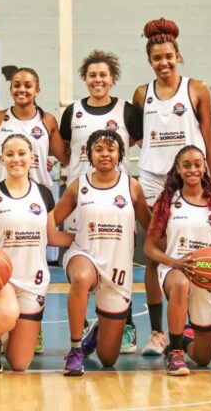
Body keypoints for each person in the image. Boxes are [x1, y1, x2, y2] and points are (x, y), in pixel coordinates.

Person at [132, 17, 211, 358]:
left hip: (190, 179)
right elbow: (138, 135)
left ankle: (188, 322)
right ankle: (158, 333)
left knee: (193, 251)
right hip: (153, 179)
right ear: (149, 60)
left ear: (178, 56)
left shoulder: (197, 89)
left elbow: (209, 139)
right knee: (155, 253)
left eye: (169, 56)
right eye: (157, 58)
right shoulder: (142, 94)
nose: (164, 63)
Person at [59, 50, 143, 354]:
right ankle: (81, 328)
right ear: (85, 79)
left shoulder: (127, 111)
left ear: (112, 78)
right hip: (82, 198)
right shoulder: (73, 112)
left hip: (117, 199)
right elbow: (65, 149)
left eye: (103, 75)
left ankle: (125, 324)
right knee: (81, 264)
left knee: (121, 259)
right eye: (92, 75)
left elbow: (140, 144)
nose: (98, 80)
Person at [0, 134, 74, 373]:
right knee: (8, 314)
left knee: (19, 363)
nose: (16, 159)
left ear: (32, 158)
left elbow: (53, 237)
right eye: (10, 154)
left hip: (33, 283)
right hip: (0, 279)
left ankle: (6, 334)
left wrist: (87, 238)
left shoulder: (44, 194)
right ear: (1, 159)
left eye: (22, 153)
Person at [0, 67, 68, 354]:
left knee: (35, 265)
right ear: (10, 90)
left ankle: (34, 327)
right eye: (17, 85)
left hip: (37, 201)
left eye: (28, 85)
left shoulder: (47, 120)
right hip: (2, 201)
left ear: (37, 90)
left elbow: (64, 155)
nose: (22, 89)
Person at [54, 130, 151, 376]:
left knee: (108, 358)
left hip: (117, 270)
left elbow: (150, 227)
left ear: (120, 154)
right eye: (98, 149)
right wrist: (69, 239)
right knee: (81, 278)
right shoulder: (79, 185)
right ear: (89, 154)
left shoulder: (132, 186)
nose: (105, 154)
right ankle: (76, 349)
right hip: (83, 256)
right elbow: (50, 220)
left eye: (110, 149)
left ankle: (98, 332)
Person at [143, 145, 211, 376]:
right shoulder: (168, 201)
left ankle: (181, 341)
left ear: (205, 167)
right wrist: (174, 263)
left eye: (197, 164)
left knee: (203, 357)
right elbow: (149, 247)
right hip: (175, 270)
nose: (192, 169)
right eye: (186, 165)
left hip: (208, 274)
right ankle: (176, 352)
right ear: (178, 170)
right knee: (181, 284)